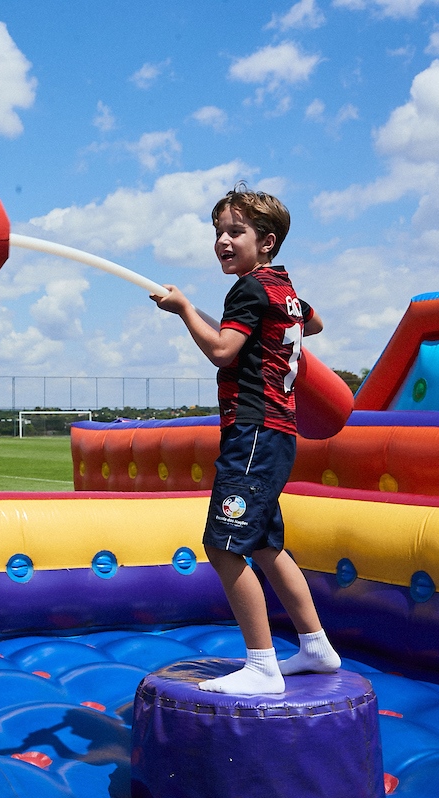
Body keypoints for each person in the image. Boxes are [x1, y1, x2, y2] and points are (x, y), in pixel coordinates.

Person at [152, 184, 341, 695]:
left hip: (253, 432)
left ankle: (262, 666)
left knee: (222, 545)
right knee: (263, 544)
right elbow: (314, 322)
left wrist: (184, 309)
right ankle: (316, 646)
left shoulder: (250, 290)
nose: (223, 241)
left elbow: (221, 351)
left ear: (268, 242)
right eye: (218, 232)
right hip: (278, 432)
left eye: (236, 231)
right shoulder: (282, 289)